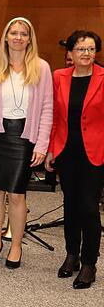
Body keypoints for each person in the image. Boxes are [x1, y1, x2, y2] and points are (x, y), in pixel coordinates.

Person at [0, 17, 52, 269]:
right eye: (14, 33)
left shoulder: (42, 68)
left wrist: (42, 144)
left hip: (23, 136)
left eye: (24, 33)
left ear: (29, 39)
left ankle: (15, 245)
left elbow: (47, 108)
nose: (18, 37)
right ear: (6, 37)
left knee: (17, 194)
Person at [45, 30, 104, 289]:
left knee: (89, 207)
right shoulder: (59, 77)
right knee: (70, 204)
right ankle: (72, 255)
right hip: (66, 151)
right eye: (81, 49)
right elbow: (54, 115)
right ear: (70, 52)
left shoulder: (103, 77)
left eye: (91, 49)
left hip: (96, 152)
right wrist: (49, 149)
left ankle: (90, 262)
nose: (86, 54)